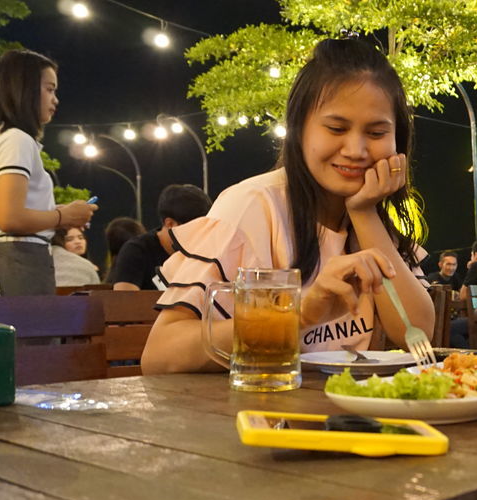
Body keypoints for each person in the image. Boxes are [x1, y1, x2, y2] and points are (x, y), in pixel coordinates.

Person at [141, 37, 433, 372]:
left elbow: (416, 332)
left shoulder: (370, 214)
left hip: (347, 413)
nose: (356, 149)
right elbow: (161, 355)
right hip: (256, 414)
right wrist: (301, 313)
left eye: (377, 133)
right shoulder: (251, 206)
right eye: (336, 128)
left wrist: (364, 212)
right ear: (299, 130)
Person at [0, 49, 97, 296]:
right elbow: (10, 219)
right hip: (15, 274)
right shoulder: (17, 140)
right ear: (23, 90)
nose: (55, 99)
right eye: (49, 89)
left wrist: (56, 213)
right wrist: (63, 216)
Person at [108, 185, 212, 291]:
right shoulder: (136, 251)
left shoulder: (205, 253)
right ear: (170, 224)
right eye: (194, 229)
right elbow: (123, 302)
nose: (200, 235)